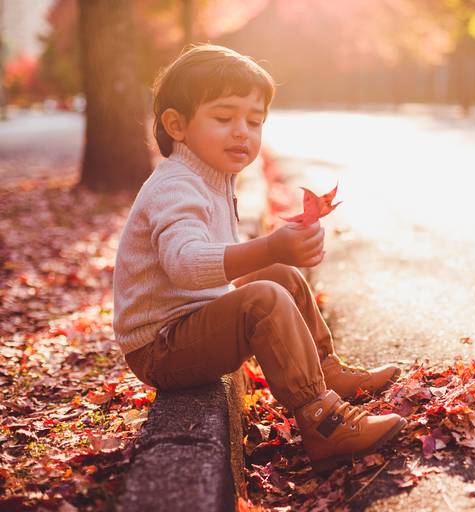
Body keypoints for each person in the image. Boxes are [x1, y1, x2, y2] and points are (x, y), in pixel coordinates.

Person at [112, 44, 405, 471]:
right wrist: (268, 245)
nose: (242, 132)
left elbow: (217, 265)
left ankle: (326, 370)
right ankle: (323, 423)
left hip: (190, 322)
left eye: (254, 121)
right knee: (263, 299)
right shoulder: (175, 185)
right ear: (177, 125)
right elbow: (185, 264)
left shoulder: (212, 175)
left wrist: (276, 253)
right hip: (161, 347)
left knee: (278, 274)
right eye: (223, 118)